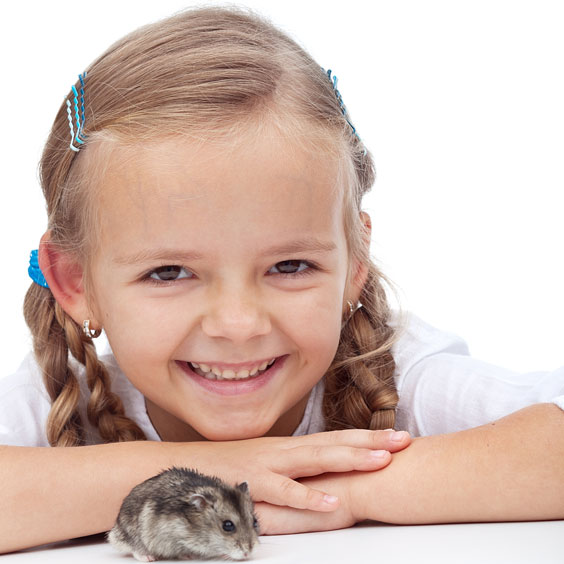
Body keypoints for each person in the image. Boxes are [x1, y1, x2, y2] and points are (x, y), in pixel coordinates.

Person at [1, 5, 563, 554]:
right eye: (169, 272)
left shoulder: (395, 372)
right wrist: (200, 472)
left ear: (354, 262)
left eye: (290, 266)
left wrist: (352, 492)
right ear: (75, 283)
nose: (239, 324)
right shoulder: (63, 391)